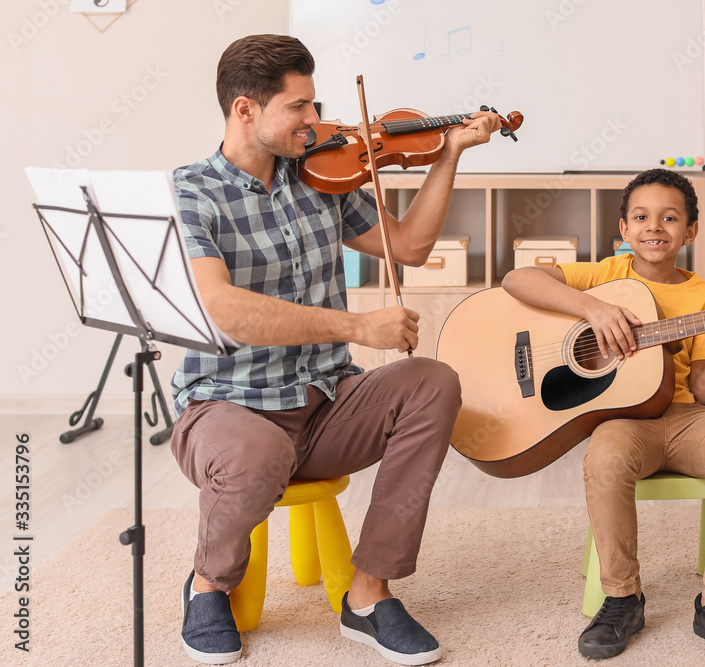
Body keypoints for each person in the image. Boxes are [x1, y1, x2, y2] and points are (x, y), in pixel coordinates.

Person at [169, 34, 502, 665]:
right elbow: (225, 309)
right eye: (299, 108)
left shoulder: (322, 176)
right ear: (245, 110)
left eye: (315, 104)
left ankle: (369, 593)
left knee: (432, 381)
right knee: (259, 451)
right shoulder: (191, 191)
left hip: (327, 402)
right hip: (228, 407)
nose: (315, 122)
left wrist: (448, 155)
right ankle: (209, 582)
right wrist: (354, 328)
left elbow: (408, 248)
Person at [501, 168, 705, 661]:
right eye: (642, 217)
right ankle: (622, 598)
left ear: (690, 231)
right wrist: (592, 309)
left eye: (670, 218)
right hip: (624, 419)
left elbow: (702, 389)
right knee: (605, 457)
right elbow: (516, 278)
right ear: (625, 230)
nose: (656, 227)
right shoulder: (609, 273)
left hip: (685, 416)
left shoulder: (704, 299)